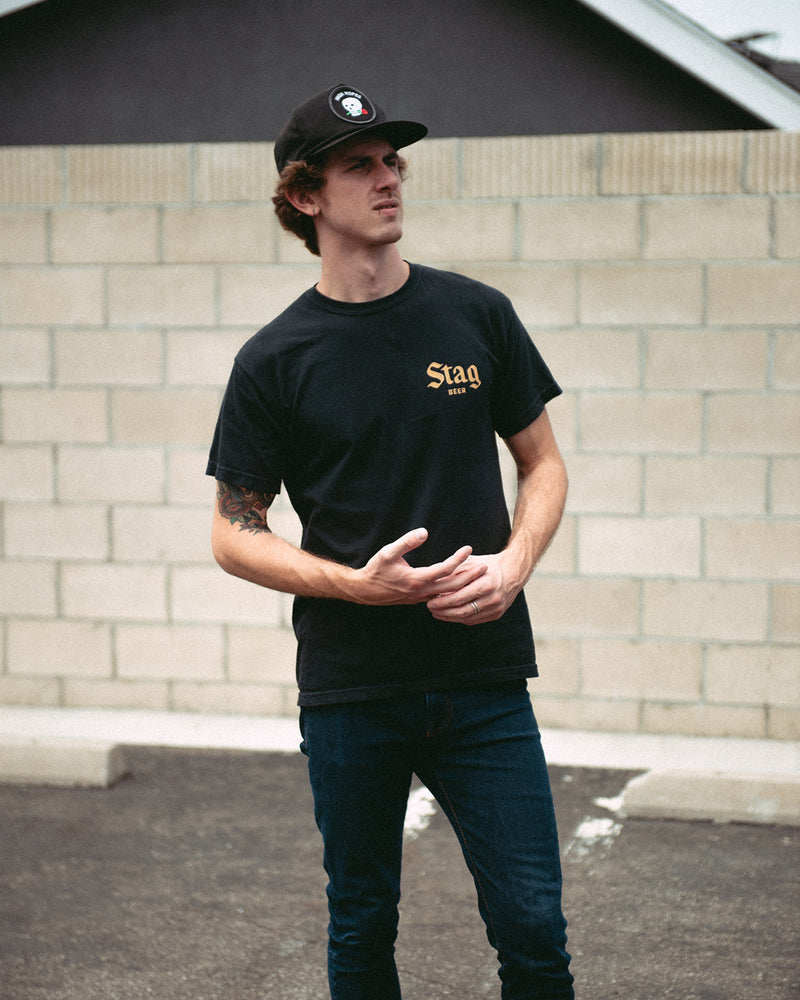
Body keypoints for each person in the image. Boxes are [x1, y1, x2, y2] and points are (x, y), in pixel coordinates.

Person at [207, 83, 574, 1000]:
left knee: (533, 927)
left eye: (393, 161)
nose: (389, 179)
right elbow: (232, 532)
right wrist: (353, 585)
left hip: (482, 680)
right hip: (352, 688)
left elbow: (545, 464)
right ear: (304, 196)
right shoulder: (275, 360)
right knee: (363, 926)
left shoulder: (475, 314)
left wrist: (514, 564)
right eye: (360, 166)